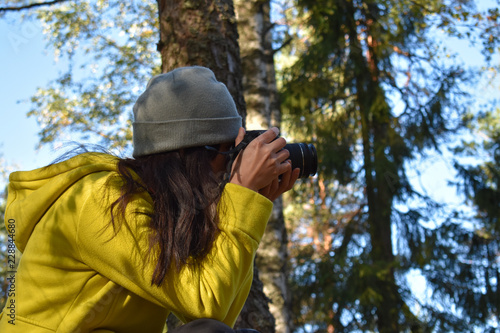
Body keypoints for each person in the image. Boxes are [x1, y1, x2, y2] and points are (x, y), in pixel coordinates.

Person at [0, 66, 299, 332]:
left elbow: (222, 312)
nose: (228, 169)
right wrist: (242, 189)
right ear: (191, 153)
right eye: (227, 154)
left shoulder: (157, 211)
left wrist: (253, 201)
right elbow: (207, 307)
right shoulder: (101, 199)